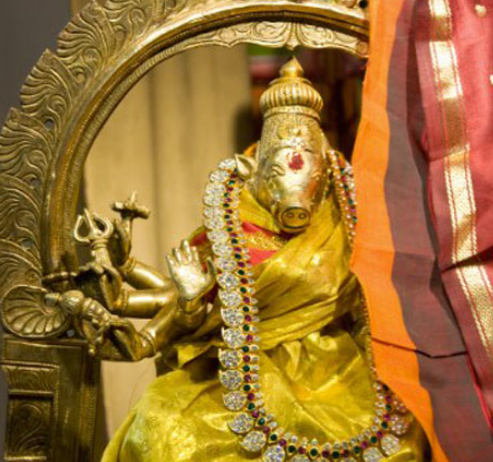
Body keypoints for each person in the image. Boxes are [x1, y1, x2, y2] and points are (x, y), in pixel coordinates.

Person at [63, 58, 429, 462]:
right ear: (253, 169)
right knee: (161, 429)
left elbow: (373, 313)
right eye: (279, 169)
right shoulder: (231, 225)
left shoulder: (345, 223)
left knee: (406, 439)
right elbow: (185, 312)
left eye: (308, 168)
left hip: (338, 373)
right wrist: (182, 296)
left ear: (327, 170)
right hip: (238, 372)